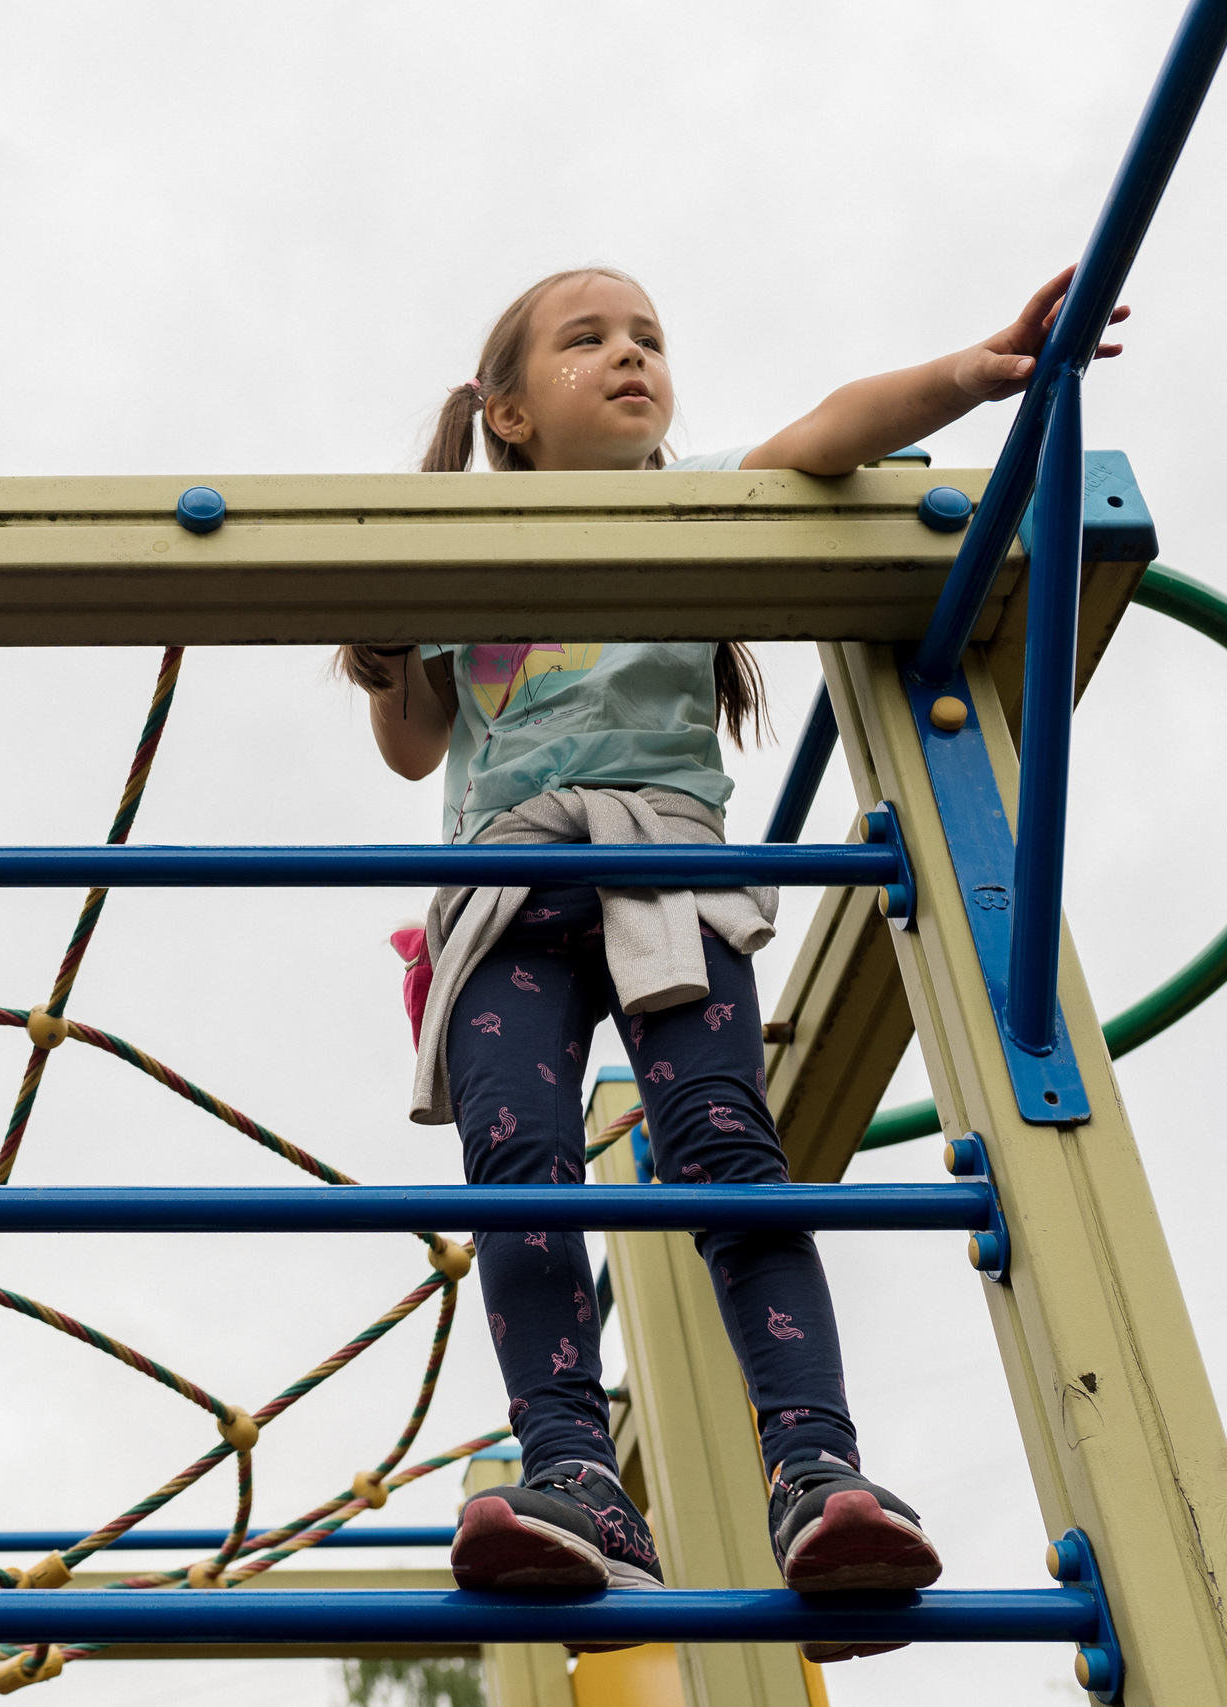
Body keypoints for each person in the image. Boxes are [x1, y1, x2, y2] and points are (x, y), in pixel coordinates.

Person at [346, 264, 1124, 1659]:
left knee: (725, 1144)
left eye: (649, 337)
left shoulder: (694, 491)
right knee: (519, 1167)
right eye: (589, 340)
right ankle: (574, 1468)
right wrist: (394, 619)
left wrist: (977, 367)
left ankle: (816, 1471)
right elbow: (412, 741)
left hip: (665, 873)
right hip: (510, 889)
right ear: (512, 414)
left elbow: (829, 433)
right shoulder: (466, 533)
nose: (632, 353)